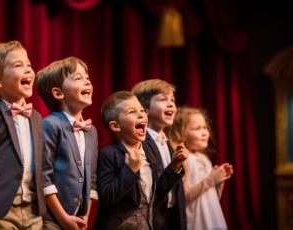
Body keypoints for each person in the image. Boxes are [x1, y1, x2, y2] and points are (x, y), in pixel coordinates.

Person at [0, 41, 46, 229]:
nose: (28, 70)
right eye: (18, 65)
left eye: (28, 64)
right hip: (2, 210)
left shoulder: (36, 117)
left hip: (33, 209)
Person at [93, 91, 188, 230]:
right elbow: (107, 198)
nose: (141, 115)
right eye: (132, 112)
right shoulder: (108, 154)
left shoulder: (149, 153)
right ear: (116, 126)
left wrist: (174, 166)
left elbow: (156, 195)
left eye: (142, 110)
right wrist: (130, 170)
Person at [35, 57, 98, 230]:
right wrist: (63, 219)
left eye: (88, 78)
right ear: (58, 93)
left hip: (79, 219)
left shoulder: (91, 131)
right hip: (52, 220)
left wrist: (85, 216)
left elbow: (91, 179)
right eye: (78, 78)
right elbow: (42, 176)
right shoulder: (50, 124)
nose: (87, 82)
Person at [166, 106, 234, 230]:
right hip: (197, 224)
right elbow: (184, 196)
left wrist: (219, 180)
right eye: (197, 128)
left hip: (214, 221)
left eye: (205, 127)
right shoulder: (183, 160)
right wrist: (211, 180)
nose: (205, 133)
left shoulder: (204, 159)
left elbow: (212, 197)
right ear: (180, 133)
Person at [132, 79, 187, 230]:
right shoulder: (139, 143)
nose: (171, 104)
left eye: (173, 100)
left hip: (170, 217)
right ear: (144, 109)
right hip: (152, 218)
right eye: (163, 99)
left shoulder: (167, 143)